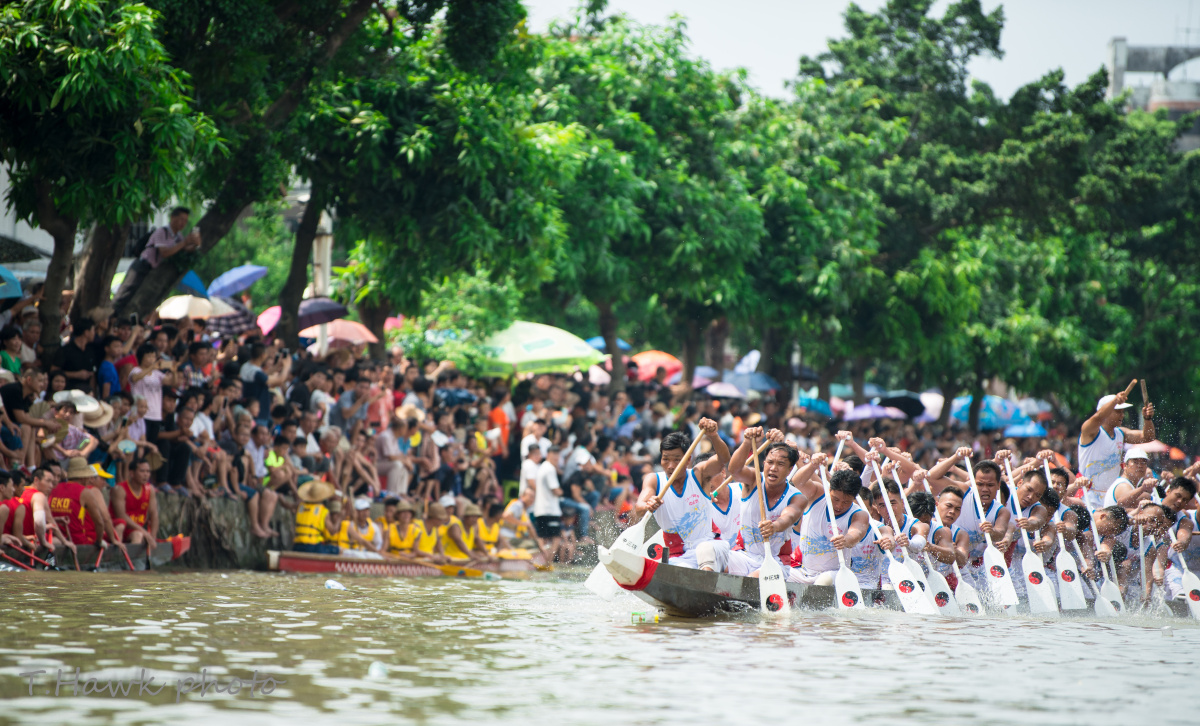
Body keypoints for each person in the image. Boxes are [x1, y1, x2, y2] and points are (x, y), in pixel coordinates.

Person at [633, 419, 730, 568]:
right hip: (678, 556)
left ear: (688, 460)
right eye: (666, 459)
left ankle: (705, 576)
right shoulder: (653, 480)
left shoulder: (699, 474)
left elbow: (723, 459)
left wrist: (714, 436)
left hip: (711, 546)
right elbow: (639, 509)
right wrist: (648, 505)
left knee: (705, 550)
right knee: (679, 569)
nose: (671, 466)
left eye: (677, 460)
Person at [1078, 380, 1155, 510]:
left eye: (1122, 411)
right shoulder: (1090, 431)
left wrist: (1147, 419)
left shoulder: (1121, 433)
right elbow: (1097, 417)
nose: (1122, 415)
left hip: (1110, 495)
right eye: (1118, 411)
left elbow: (1147, 437)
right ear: (1106, 411)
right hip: (1088, 495)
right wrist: (1114, 401)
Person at [113, 207, 201, 314]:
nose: (183, 223)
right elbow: (165, 252)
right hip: (142, 266)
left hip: (151, 270)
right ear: (173, 217)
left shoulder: (178, 237)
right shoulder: (162, 232)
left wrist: (195, 244)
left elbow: (184, 249)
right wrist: (185, 242)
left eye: (185, 221)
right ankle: (112, 313)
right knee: (126, 292)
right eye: (181, 219)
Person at [108, 458, 158, 544]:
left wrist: (152, 537)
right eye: (142, 471)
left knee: (138, 535)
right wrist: (144, 532)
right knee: (134, 532)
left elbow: (154, 515)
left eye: (148, 471)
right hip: (118, 527)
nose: (146, 474)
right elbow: (121, 515)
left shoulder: (150, 489)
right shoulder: (120, 489)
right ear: (132, 473)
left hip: (136, 530)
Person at [532, 445, 564, 557]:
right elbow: (555, 490)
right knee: (556, 537)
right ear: (548, 455)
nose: (556, 457)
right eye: (554, 455)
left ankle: (543, 561)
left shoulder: (542, 467)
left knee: (542, 537)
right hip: (550, 509)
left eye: (558, 455)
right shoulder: (549, 469)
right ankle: (548, 561)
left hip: (540, 509)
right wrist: (562, 492)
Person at [293, 479, 339, 554]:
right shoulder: (323, 510)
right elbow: (333, 531)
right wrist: (341, 517)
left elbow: (288, 505)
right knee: (337, 550)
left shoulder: (300, 506)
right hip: (313, 547)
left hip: (297, 546)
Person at [57, 320, 97, 391]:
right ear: (86, 333)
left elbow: (92, 374)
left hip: (86, 393)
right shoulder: (66, 350)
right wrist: (76, 374)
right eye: (93, 330)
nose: (94, 333)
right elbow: (55, 371)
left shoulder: (90, 351)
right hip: (68, 390)